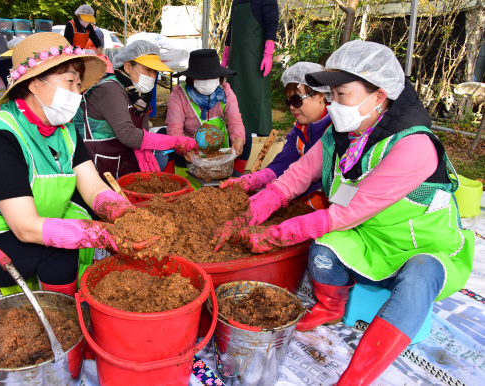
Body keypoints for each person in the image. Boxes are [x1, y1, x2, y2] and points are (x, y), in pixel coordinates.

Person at [214, 41, 474, 385]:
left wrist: (280, 232)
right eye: (331, 94)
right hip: (370, 238)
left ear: (379, 95)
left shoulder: (413, 145)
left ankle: (356, 377)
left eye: (341, 94)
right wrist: (249, 215)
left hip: (423, 245)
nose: (333, 104)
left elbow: (352, 210)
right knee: (323, 248)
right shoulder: (342, 136)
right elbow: (294, 177)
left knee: (420, 273)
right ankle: (330, 307)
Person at [0, 33, 145, 300]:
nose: (77, 93)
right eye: (69, 83)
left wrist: (124, 214)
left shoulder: (63, 131)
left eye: (79, 84)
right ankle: (62, 310)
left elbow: (93, 186)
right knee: (60, 249)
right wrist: (104, 234)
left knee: (89, 213)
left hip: (31, 224)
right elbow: (25, 227)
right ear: (33, 84)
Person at [73, 40, 197, 179]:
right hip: (95, 162)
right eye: (147, 69)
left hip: (121, 157)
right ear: (127, 67)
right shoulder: (110, 89)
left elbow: (142, 132)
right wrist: (174, 142)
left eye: (155, 71)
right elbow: (127, 134)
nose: (152, 76)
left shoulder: (140, 96)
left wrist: (143, 148)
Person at [221, 62, 331, 209]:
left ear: (320, 95)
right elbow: (282, 164)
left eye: (296, 100)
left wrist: (273, 194)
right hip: (303, 206)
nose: (292, 107)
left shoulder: (336, 131)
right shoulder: (300, 130)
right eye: (288, 102)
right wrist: (252, 180)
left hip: (332, 213)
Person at [164, 48, 250, 183]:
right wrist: (185, 149)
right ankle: (177, 181)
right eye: (202, 78)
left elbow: (235, 122)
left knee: (246, 137)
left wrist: (238, 139)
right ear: (191, 78)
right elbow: (174, 130)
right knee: (164, 136)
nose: (208, 81)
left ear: (220, 77)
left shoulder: (226, 91)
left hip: (220, 144)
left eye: (212, 77)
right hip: (191, 148)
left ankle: (234, 180)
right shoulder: (178, 95)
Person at [222, 0, 278, 136]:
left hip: (255, 59)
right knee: (233, 97)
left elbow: (271, 24)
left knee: (257, 97)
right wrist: (226, 52)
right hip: (236, 59)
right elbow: (231, 29)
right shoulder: (236, 2)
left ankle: (260, 138)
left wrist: (268, 52)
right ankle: (234, 136)